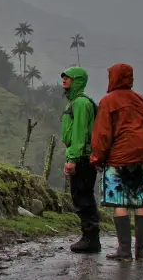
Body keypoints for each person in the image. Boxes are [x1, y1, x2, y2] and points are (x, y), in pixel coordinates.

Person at [91, 63, 143, 262]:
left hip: (118, 158)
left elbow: (102, 134)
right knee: (140, 201)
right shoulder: (142, 101)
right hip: (140, 157)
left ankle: (124, 251)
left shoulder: (108, 101)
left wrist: (97, 158)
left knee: (120, 202)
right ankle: (141, 252)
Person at [60, 66, 101, 253]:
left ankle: (91, 238)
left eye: (68, 77)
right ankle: (88, 236)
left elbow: (79, 133)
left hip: (83, 157)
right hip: (80, 155)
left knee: (83, 196)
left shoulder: (81, 104)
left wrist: (73, 159)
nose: (64, 80)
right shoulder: (75, 102)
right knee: (80, 195)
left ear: (77, 81)